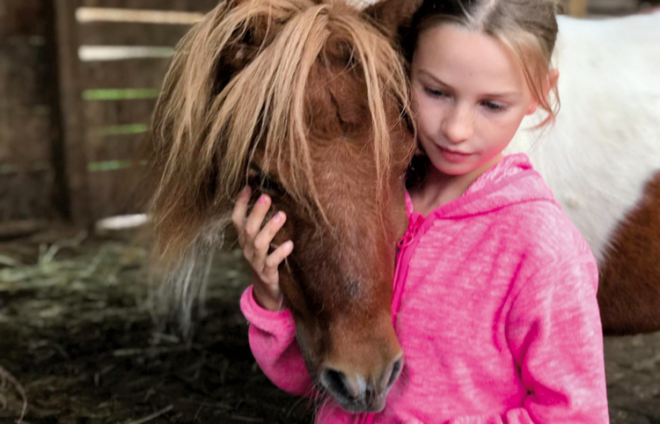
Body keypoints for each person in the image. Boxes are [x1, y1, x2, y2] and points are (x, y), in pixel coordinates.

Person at [232, 0, 610, 422]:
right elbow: (320, 379)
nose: (456, 129)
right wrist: (270, 297)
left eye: (492, 105)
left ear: (539, 94)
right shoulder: (382, 198)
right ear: (404, 71)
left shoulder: (540, 247)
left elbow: (577, 414)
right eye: (435, 92)